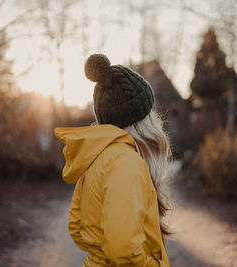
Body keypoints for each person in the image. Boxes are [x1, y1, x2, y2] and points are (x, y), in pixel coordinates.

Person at [54, 54, 175, 266]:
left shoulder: (98, 156)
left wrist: (99, 250)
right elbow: (123, 252)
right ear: (142, 118)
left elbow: (77, 226)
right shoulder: (126, 163)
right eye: (151, 111)